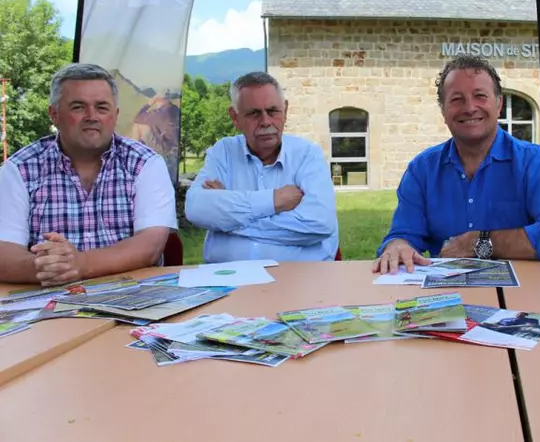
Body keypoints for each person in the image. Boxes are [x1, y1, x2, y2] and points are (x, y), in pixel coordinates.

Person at [373, 55, 540, 274]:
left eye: (480, 96)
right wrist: (398, 246)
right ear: (443, 111)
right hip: (447, 296)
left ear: (499, 104)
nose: (470, 107)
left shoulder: (536, 162)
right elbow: (404, 235)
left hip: (524, 294)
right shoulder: (422, 170)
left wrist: (480, 242)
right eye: (457, 99)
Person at [0, 63, 177, 286]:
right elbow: (4, 253)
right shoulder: (19, 169)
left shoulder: (146, 164)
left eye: (102, 107)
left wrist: (82, 264)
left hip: (134, 300)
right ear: (54, 114)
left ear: (115, 115)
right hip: (48, 304)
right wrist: (49, 267)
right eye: (78, 107)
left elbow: (150, 246)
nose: (92, 116)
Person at [185, 72, 338, 263]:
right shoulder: (223, 152)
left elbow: (319, 224)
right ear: (235, 117)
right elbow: (196, 208)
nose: (266, 121)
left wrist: (228, 220)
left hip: (298, 282)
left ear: (286, 111)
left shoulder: (307, 155)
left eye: (273, 111)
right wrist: (273, 201)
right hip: (226, 280)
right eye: (254, 113)